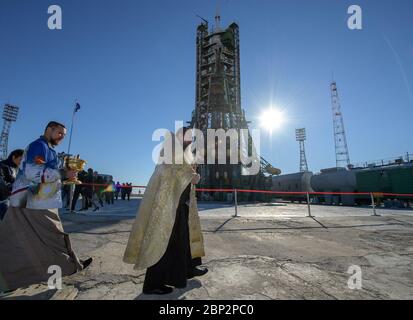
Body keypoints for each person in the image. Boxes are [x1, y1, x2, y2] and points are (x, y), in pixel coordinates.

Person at [0, 121, 93, 292]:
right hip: (33, 202)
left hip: (34, 201)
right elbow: (32, 172)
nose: (62, 137)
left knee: (17, 241)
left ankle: (13, 278)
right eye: (59, 133)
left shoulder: (48, 149)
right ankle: (71, 266)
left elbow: (47, 175)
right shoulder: (39, 145)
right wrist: (64, 173)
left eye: (64, 135)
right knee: (54, 237)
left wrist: (65, 175)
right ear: (49, 130)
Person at [123, 128, 207, 295]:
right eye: (188, 136)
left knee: (185, 238)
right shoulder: (169, 149)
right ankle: (152, 284)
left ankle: (189, 269)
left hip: (182, 204)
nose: (191, 139)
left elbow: (184, 172)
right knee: (163, 241)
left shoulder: (186, 154)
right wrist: (191, 174)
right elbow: (171, 170)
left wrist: (192, 174)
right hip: (167, 205)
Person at [0, 149, 24, 220]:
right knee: (7, 209)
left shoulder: (16, 169)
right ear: (14, 157)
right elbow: (2, 187)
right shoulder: (2, 166)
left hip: (11, 197)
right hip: (3, 199)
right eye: (21, 159)